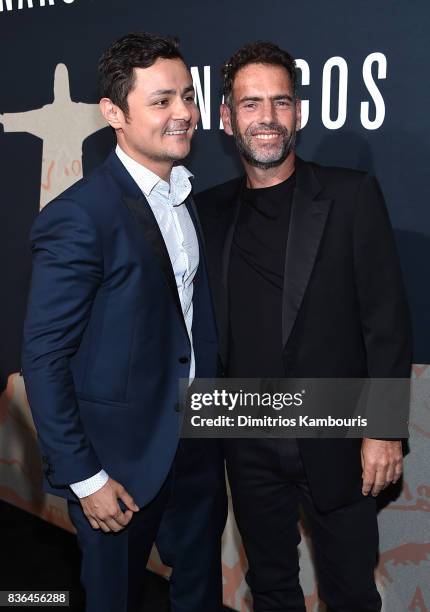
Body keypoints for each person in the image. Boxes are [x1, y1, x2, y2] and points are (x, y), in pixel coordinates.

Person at [195, 41, 412, 611]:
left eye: (280, 102)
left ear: (300, 113)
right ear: (225, 117)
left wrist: (385, 430)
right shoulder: (207, 210)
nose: (266, 118)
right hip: (246, 441)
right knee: (271, 590)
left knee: (351, 594)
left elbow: (386, 320)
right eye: (250, 104)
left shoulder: (349, 196)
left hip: (338, 438)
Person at [22, 32, 226, 612]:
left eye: (188, 95)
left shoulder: (186, 198)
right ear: (114, 112)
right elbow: (44, 357)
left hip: (196, 453)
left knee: (199, 596)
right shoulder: (80, 217)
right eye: (161, 101)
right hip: (118, 468)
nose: (184, 112)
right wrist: (86, 478)